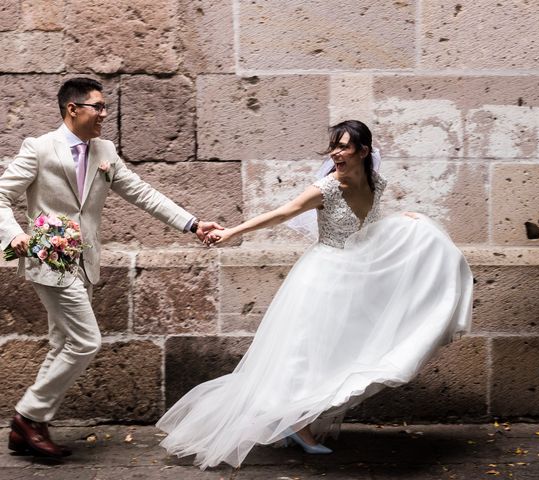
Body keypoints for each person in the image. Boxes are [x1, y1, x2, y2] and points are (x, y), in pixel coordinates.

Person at [157, 120, 473, 469]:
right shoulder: (327, 187)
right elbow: (282, 213)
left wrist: (404, 218)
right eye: (333, 146)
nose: (335, 153)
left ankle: (299, 414)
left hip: (357, 274)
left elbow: (368, 223)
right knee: (303, 351)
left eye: (344, 146)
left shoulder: (376, 183)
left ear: (363, 151)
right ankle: (297, 423)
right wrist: (233, 232)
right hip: (323, 275)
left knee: (337, 351)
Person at [0, 77, 222, 459]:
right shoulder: (38, 148)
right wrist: (12, 235)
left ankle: (29, 428)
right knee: (86, 341)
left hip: (84, 262)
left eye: (104, 107)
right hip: (49, 259)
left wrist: (192, 223)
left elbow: (142, 192)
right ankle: (27, 415)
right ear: (73, 109)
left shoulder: (104, 150)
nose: (105, 113)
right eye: (98, 107)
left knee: (62, 343)